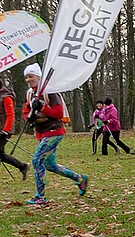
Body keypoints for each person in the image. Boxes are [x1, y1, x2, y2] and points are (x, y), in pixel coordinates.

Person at [22, 63, 87, 204]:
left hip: (54, 131)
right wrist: (29, 116)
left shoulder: (50, 91)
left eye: (31, 76)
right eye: (26, 77)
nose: (28, 79)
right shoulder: (29, 93)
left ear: (39, 77)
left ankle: (40, 196)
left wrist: (42, 108)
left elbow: (58, 113)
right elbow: (25, 111)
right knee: (50, 165)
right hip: (41, 132)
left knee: (37, 160)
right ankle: (80, 179)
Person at [0, 76, 30, 185]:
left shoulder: (6, 97)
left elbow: (10, 115)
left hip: (3, 131)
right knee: (0, 155)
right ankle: (23, 166)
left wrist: (6, 130)